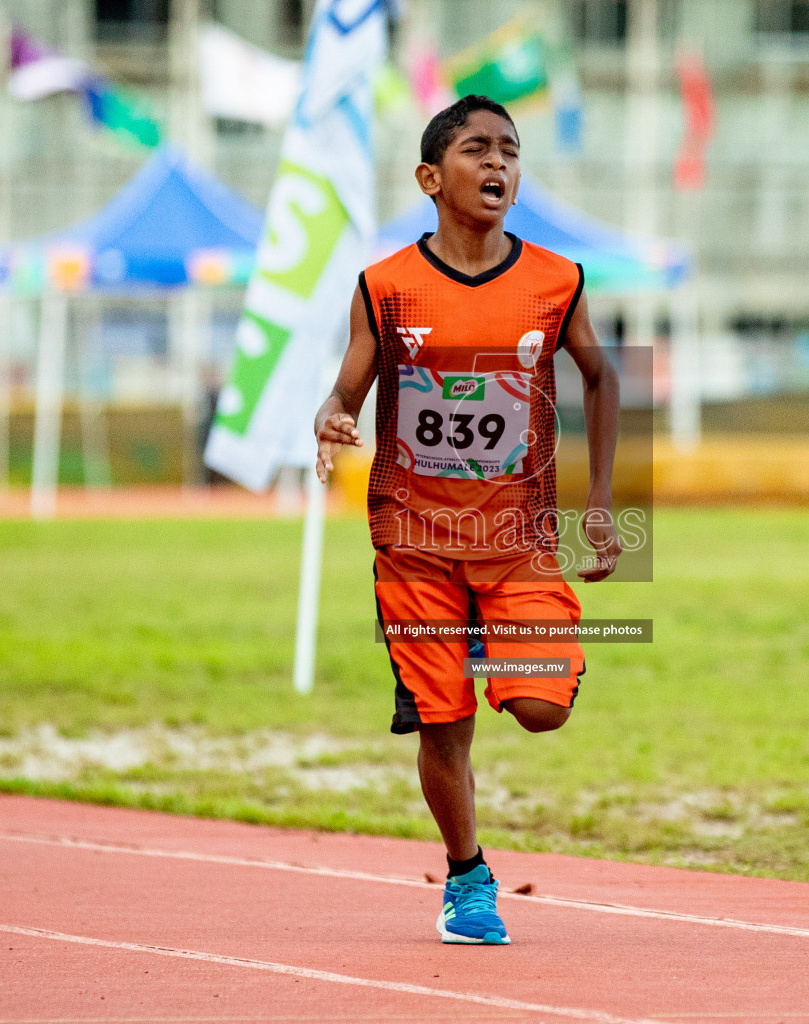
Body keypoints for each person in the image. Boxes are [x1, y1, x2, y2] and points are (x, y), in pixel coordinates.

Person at [314, 95, 621, 945]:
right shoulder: (386, 286)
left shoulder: (557, 282)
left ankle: (483, 640)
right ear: (430, 176)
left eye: (510, 152)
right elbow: (346, 389)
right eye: (478, 150)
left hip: (515, 544)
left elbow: (602, 379)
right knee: (444, 722)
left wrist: (600, 507)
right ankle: (467, 878)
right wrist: (331, 418)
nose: (499, 165)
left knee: (541, 708)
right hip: (413, 545)